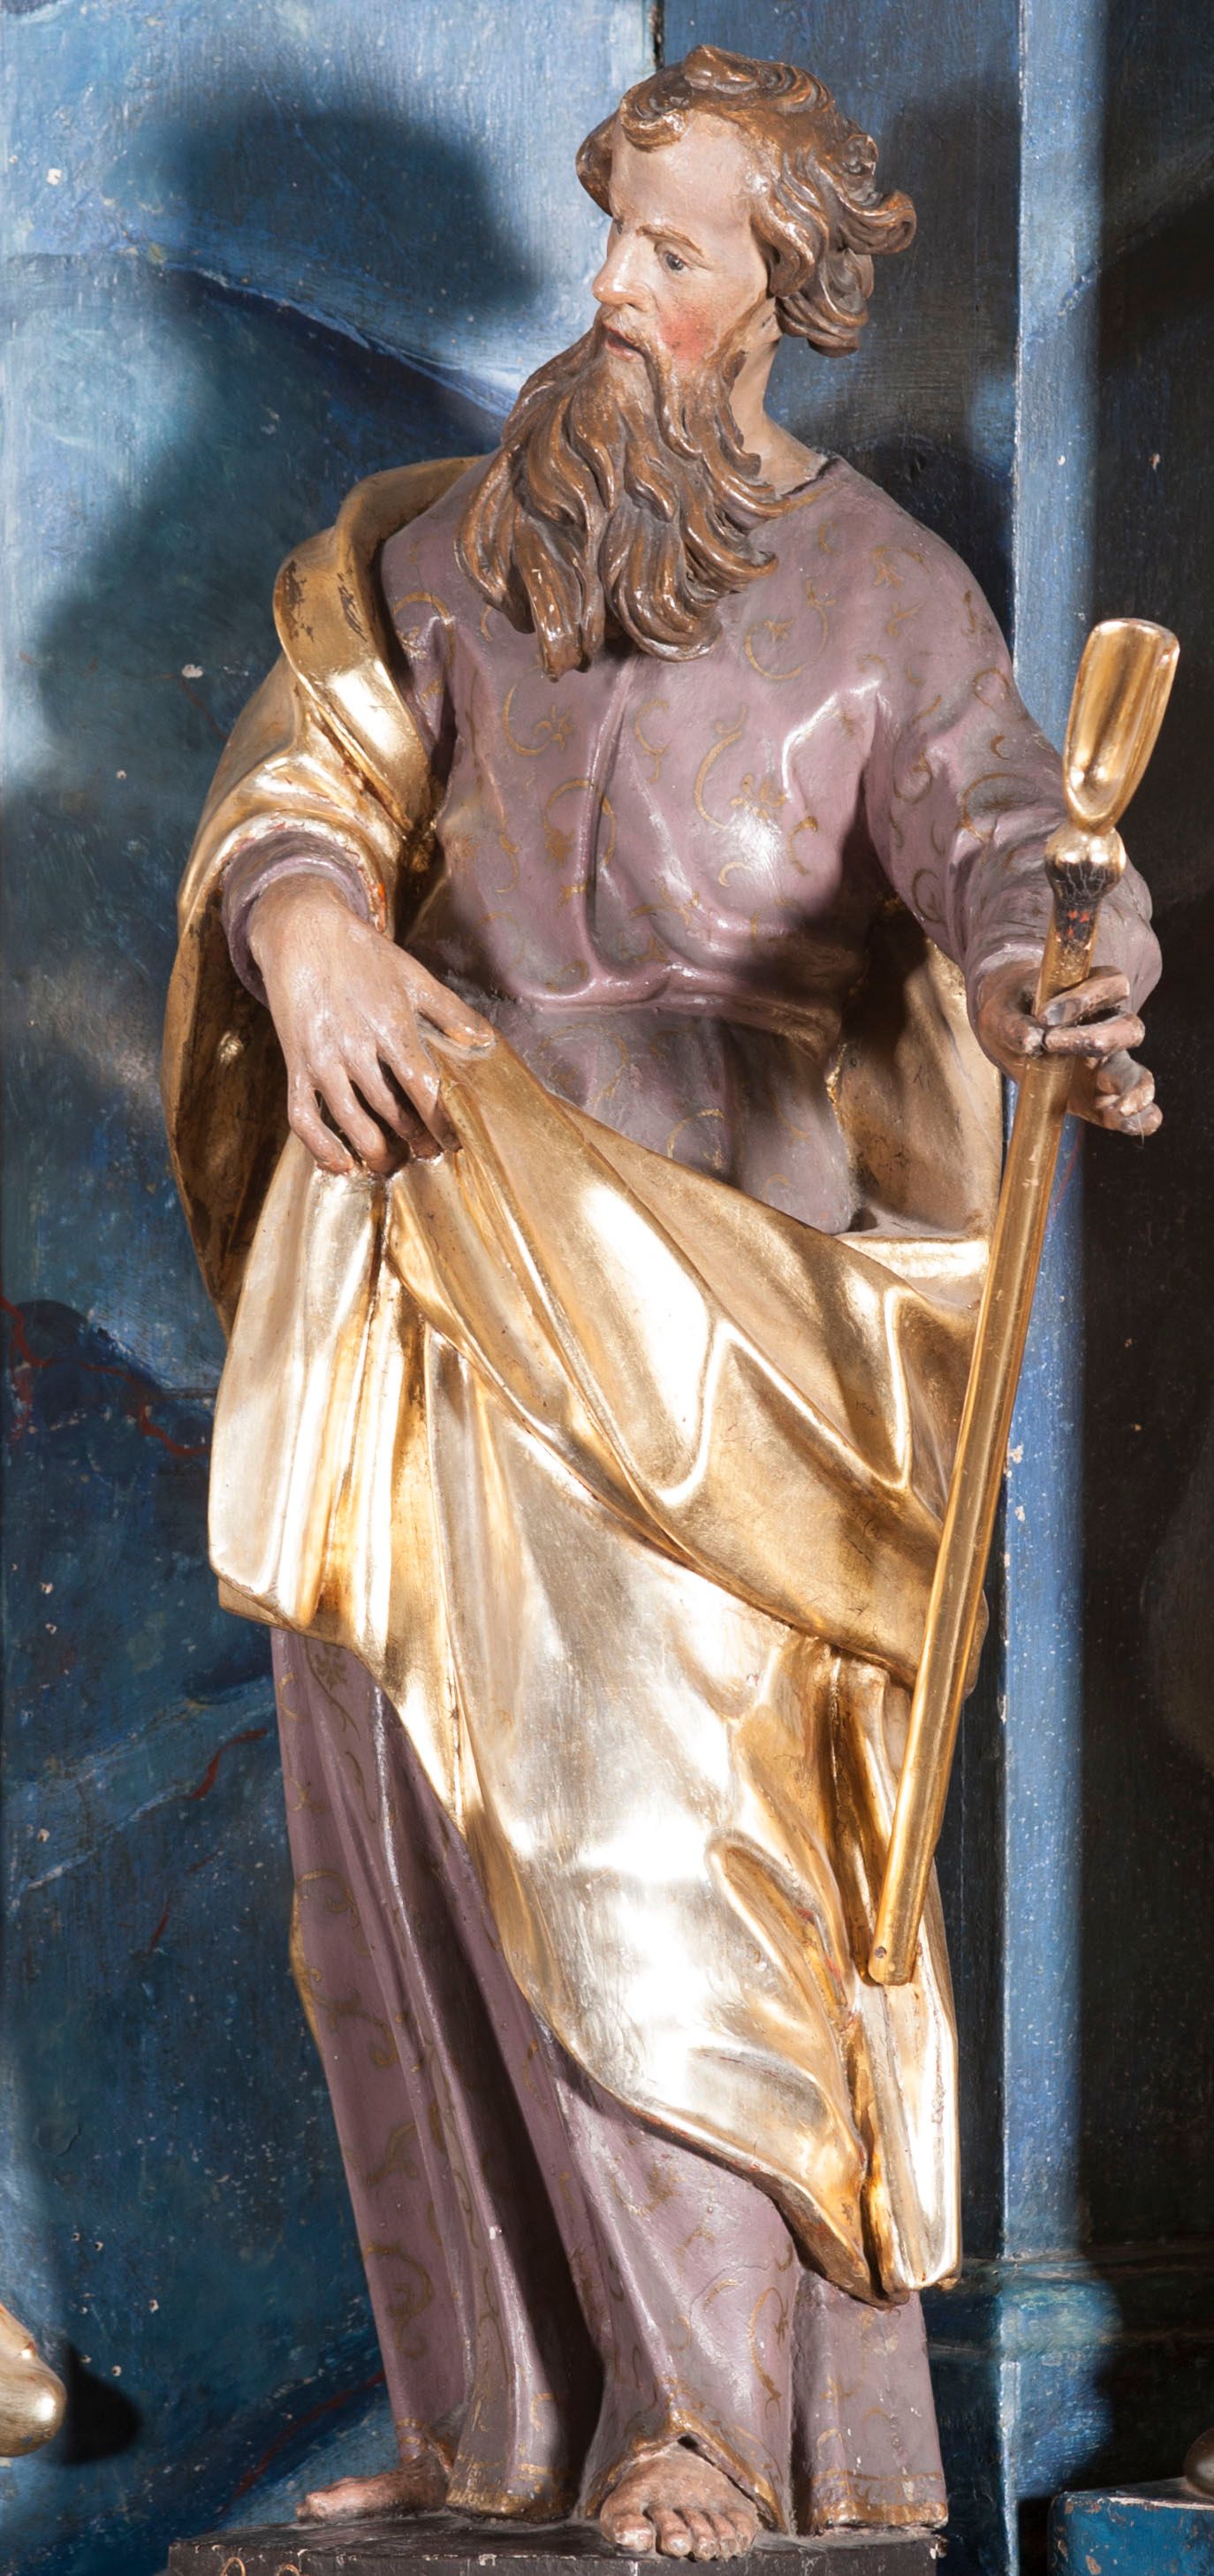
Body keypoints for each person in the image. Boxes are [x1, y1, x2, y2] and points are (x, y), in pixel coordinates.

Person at [164, 46, 1160, 2561]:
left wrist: (1064, 954)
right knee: (397, 1860)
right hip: (417, 1244)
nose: (615, 291)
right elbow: (302, 787)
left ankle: (712, 2417)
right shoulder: (447, 549)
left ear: (787, 301)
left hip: (712, 1309)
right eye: (614, 231)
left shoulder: (887, 597)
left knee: (652, 1859)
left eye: (678, 254)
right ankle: (498, 2415)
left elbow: (1006, 840)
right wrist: (308, 933)